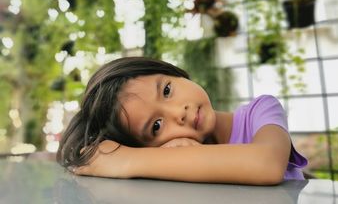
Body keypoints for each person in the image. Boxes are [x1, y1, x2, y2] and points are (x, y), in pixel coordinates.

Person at [56, 56, 307, 185]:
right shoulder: (170, 161)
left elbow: (267, 164)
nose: (180, 113)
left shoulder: (261, 111)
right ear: (150, 147)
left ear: (174, 73)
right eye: (156, 126)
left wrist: (124, 160)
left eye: (166, 90)